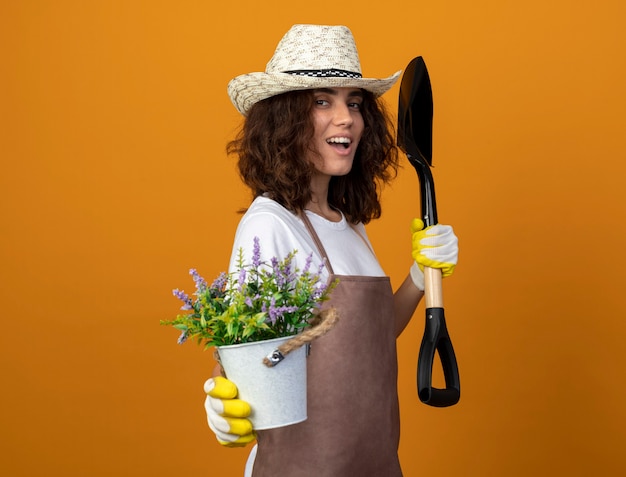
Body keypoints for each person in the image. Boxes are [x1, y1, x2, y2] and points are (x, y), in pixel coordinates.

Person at [203, 24, 459, 476]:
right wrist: (225, 405)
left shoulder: (348, 222)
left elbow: (365, 340)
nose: (347, 118)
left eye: (354, 103)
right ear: (284, 119)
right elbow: (250, 355)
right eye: (322, 101)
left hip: (373, 462)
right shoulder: (270, 224)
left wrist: (420, 276)